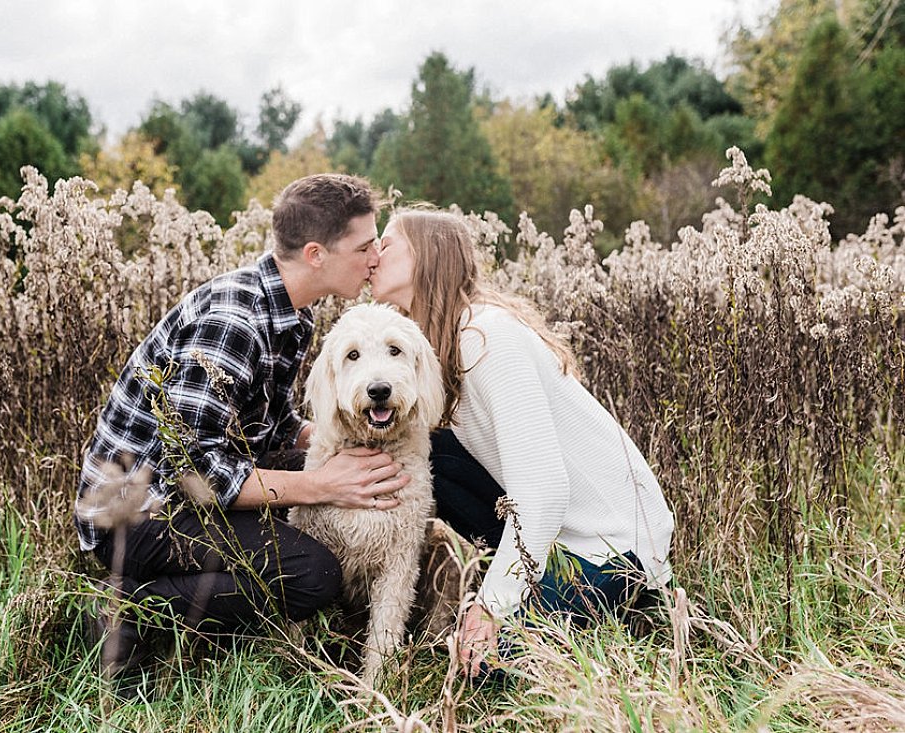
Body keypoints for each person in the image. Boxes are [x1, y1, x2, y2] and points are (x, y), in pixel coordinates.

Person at [76, 174, 410, 686]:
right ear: (317, 254)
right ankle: (128, 612)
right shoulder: (234, 320)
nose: (375, 259)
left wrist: (340, 439)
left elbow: (271, 428)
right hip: (137, 514)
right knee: (313, 573)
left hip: (188, 489)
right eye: (365, 246)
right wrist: (323, 482)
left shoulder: (290, 313)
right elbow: (197, 469)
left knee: (359, 472)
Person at [369, 207, 675, 677]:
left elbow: (544, 489)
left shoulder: (488, 340)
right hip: (554, 536)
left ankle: (617, 610)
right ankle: (510, 592)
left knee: (479, 662)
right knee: (434, 455)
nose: (373, 254)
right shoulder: (441, 345)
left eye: (387, 243)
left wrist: (492, 606)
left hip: (614, 549)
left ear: (426, 258)